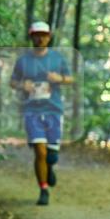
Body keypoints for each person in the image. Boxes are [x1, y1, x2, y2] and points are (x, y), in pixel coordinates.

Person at [10, 22, 72, 206]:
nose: (40, 38)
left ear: (49, 37)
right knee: (40, 152)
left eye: (44, 34)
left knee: (50, 155)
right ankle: (43, 189)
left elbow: (70, 78)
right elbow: (13, 81)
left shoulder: (57, 58)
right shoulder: (23, 61)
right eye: (37, 34)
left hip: (54, 109)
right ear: (31, 36)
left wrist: (59, 79)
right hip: (31, 111)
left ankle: (50, 167)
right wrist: (23, 85)